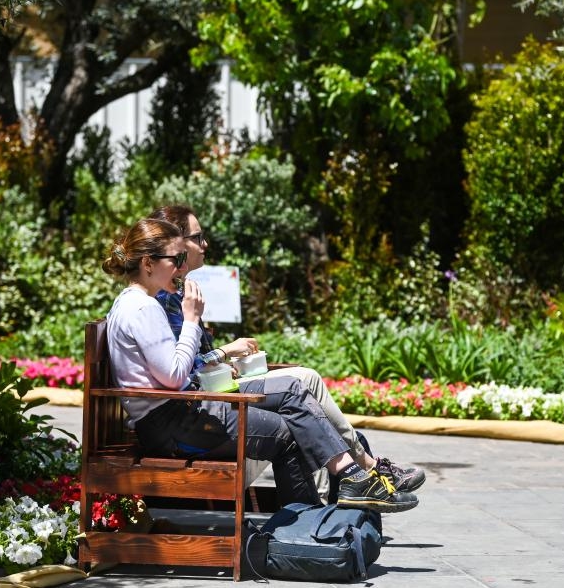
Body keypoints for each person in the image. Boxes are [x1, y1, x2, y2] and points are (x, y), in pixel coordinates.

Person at [101, 217, 418, 513]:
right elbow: (173, 376)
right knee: (287, 432)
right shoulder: (141, 308)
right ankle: (311, 522)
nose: (182, 268)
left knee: (294, 387)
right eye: (177, 260)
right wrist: (192, 319)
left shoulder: (140, 303)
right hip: (174, 423)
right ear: (147, 264)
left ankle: (350, 478)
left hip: (185, 409)